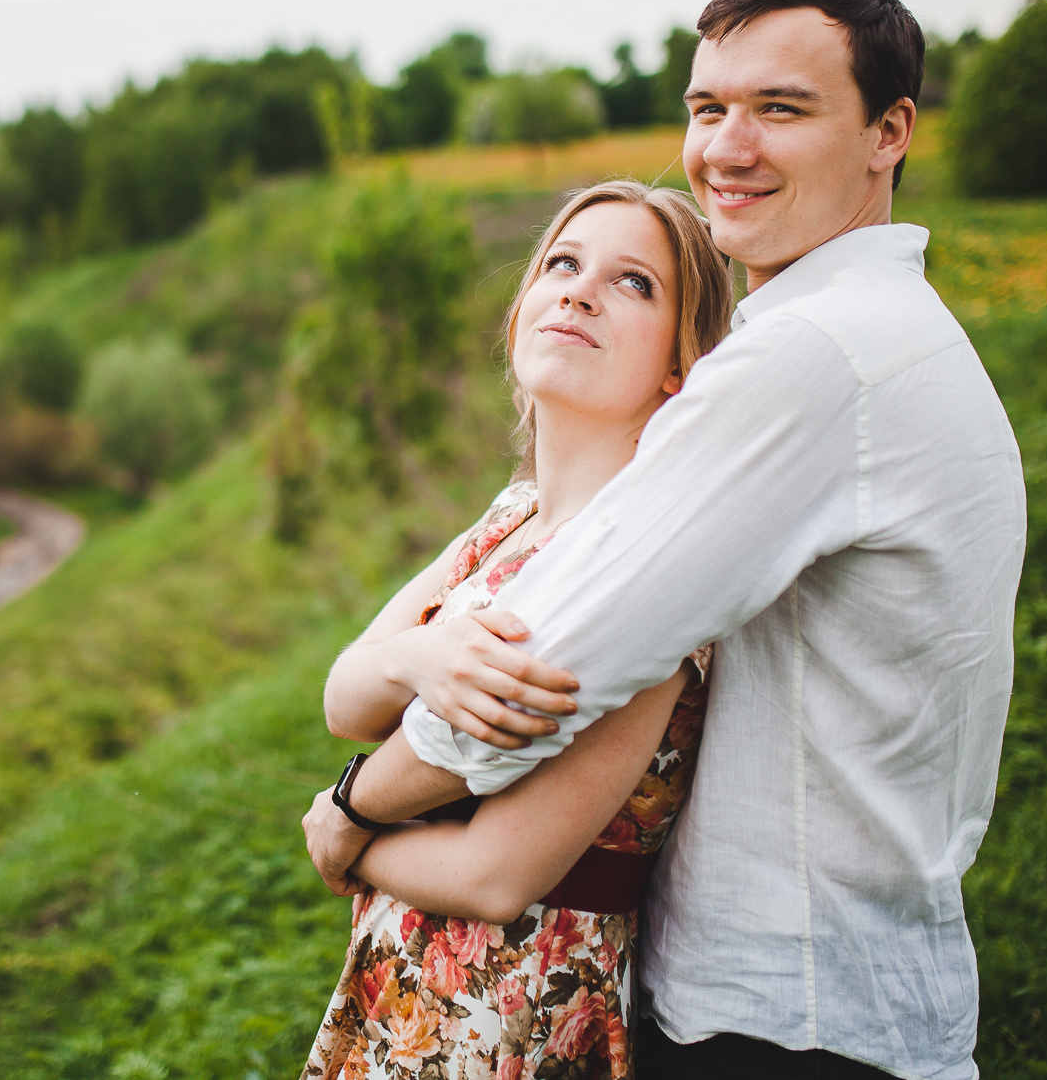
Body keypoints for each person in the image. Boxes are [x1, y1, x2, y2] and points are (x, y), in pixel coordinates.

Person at [303, 0, 1026, 1080]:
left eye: (779, 108)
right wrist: (405, 670)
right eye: (707, 108)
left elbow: (541, 674)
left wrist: (353, 817)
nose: (727, 147)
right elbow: (372, 682)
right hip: (820, 988)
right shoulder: (880, 332)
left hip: (784, 1017)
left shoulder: (811, 353)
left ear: (888, 131)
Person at [301, 180, 736, 1079]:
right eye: (564, 264)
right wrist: (421, 654)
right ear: (521, 313)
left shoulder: (654, 568)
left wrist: (348, 829)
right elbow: (346, 694)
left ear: (678, 367)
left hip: (517, 1009)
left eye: (634, 283)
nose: (579, 289)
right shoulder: (512, 517)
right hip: (402, 981)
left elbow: (500, 875)